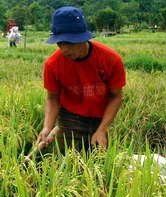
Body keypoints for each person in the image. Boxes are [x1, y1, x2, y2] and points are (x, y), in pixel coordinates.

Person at [37, 6, 126, 154]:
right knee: (67, 163)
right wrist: (47, 127)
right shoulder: (52, 64)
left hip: (100, 117)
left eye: (69, 43)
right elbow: (53, 98)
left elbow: (115, 96)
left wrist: (102, 129)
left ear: (83, 38)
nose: (64, 49)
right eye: (60, 44)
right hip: (70, 117)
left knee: (99, 161)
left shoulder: (110, 59)